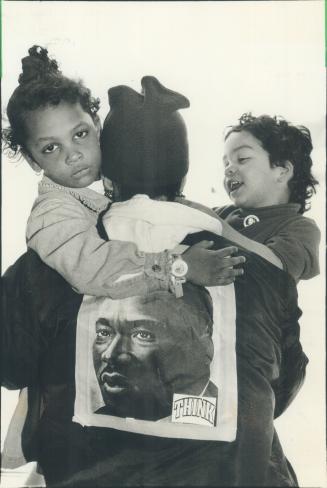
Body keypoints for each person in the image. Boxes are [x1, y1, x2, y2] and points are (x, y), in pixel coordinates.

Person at [2, 45, 245, 300]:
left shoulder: (108, 183)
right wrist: (178, 266)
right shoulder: (52, 212)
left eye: (79, 134)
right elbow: (92, 268)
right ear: (32, 160)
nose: (73, 154)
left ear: (96, 126)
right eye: (51, 148)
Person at [92, 287, 218, 422]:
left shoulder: (223, 418)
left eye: (143, 335)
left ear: (201, 343)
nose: (109, 355)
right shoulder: (97, 422)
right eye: (104, 333)